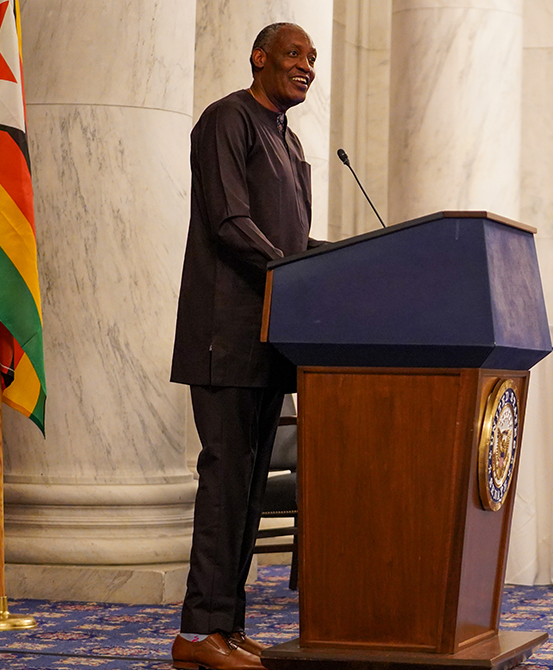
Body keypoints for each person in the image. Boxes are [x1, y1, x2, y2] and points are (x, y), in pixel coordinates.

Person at [169, 23, 324, 670]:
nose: (307, 66)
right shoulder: (226, 120)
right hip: (225, 335)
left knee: (251, 491)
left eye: (313, 59)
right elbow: (231, 224)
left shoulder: (289, 142)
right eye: (295, 54)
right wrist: (300, 273)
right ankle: (198, 632)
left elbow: (291, 241)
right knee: (224, 483)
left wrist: (338, 265)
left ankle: (228, 627)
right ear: (259, 58)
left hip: (269, 340)